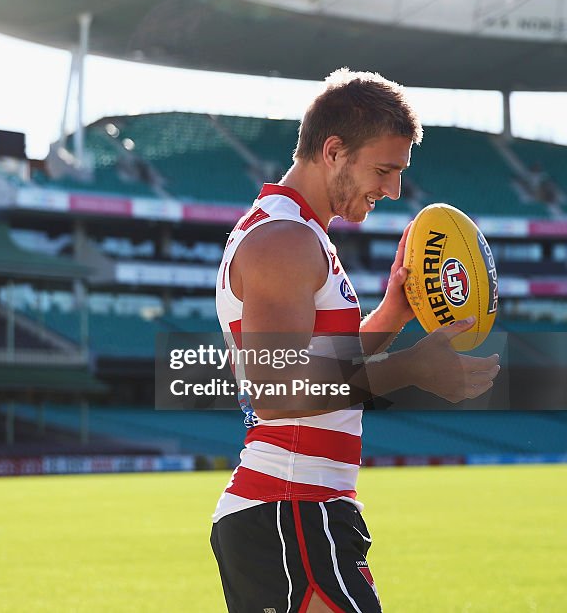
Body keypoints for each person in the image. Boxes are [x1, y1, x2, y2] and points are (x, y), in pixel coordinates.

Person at [209, 69, 500, 613]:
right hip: (290, 505)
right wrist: (411, 368)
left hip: (303, 509)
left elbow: (319, 364)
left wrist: (393, 311)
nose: (392, 190)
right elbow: (276, 391)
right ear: (334, 151)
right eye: (384, 170)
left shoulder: (299, 232)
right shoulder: (285, 241)